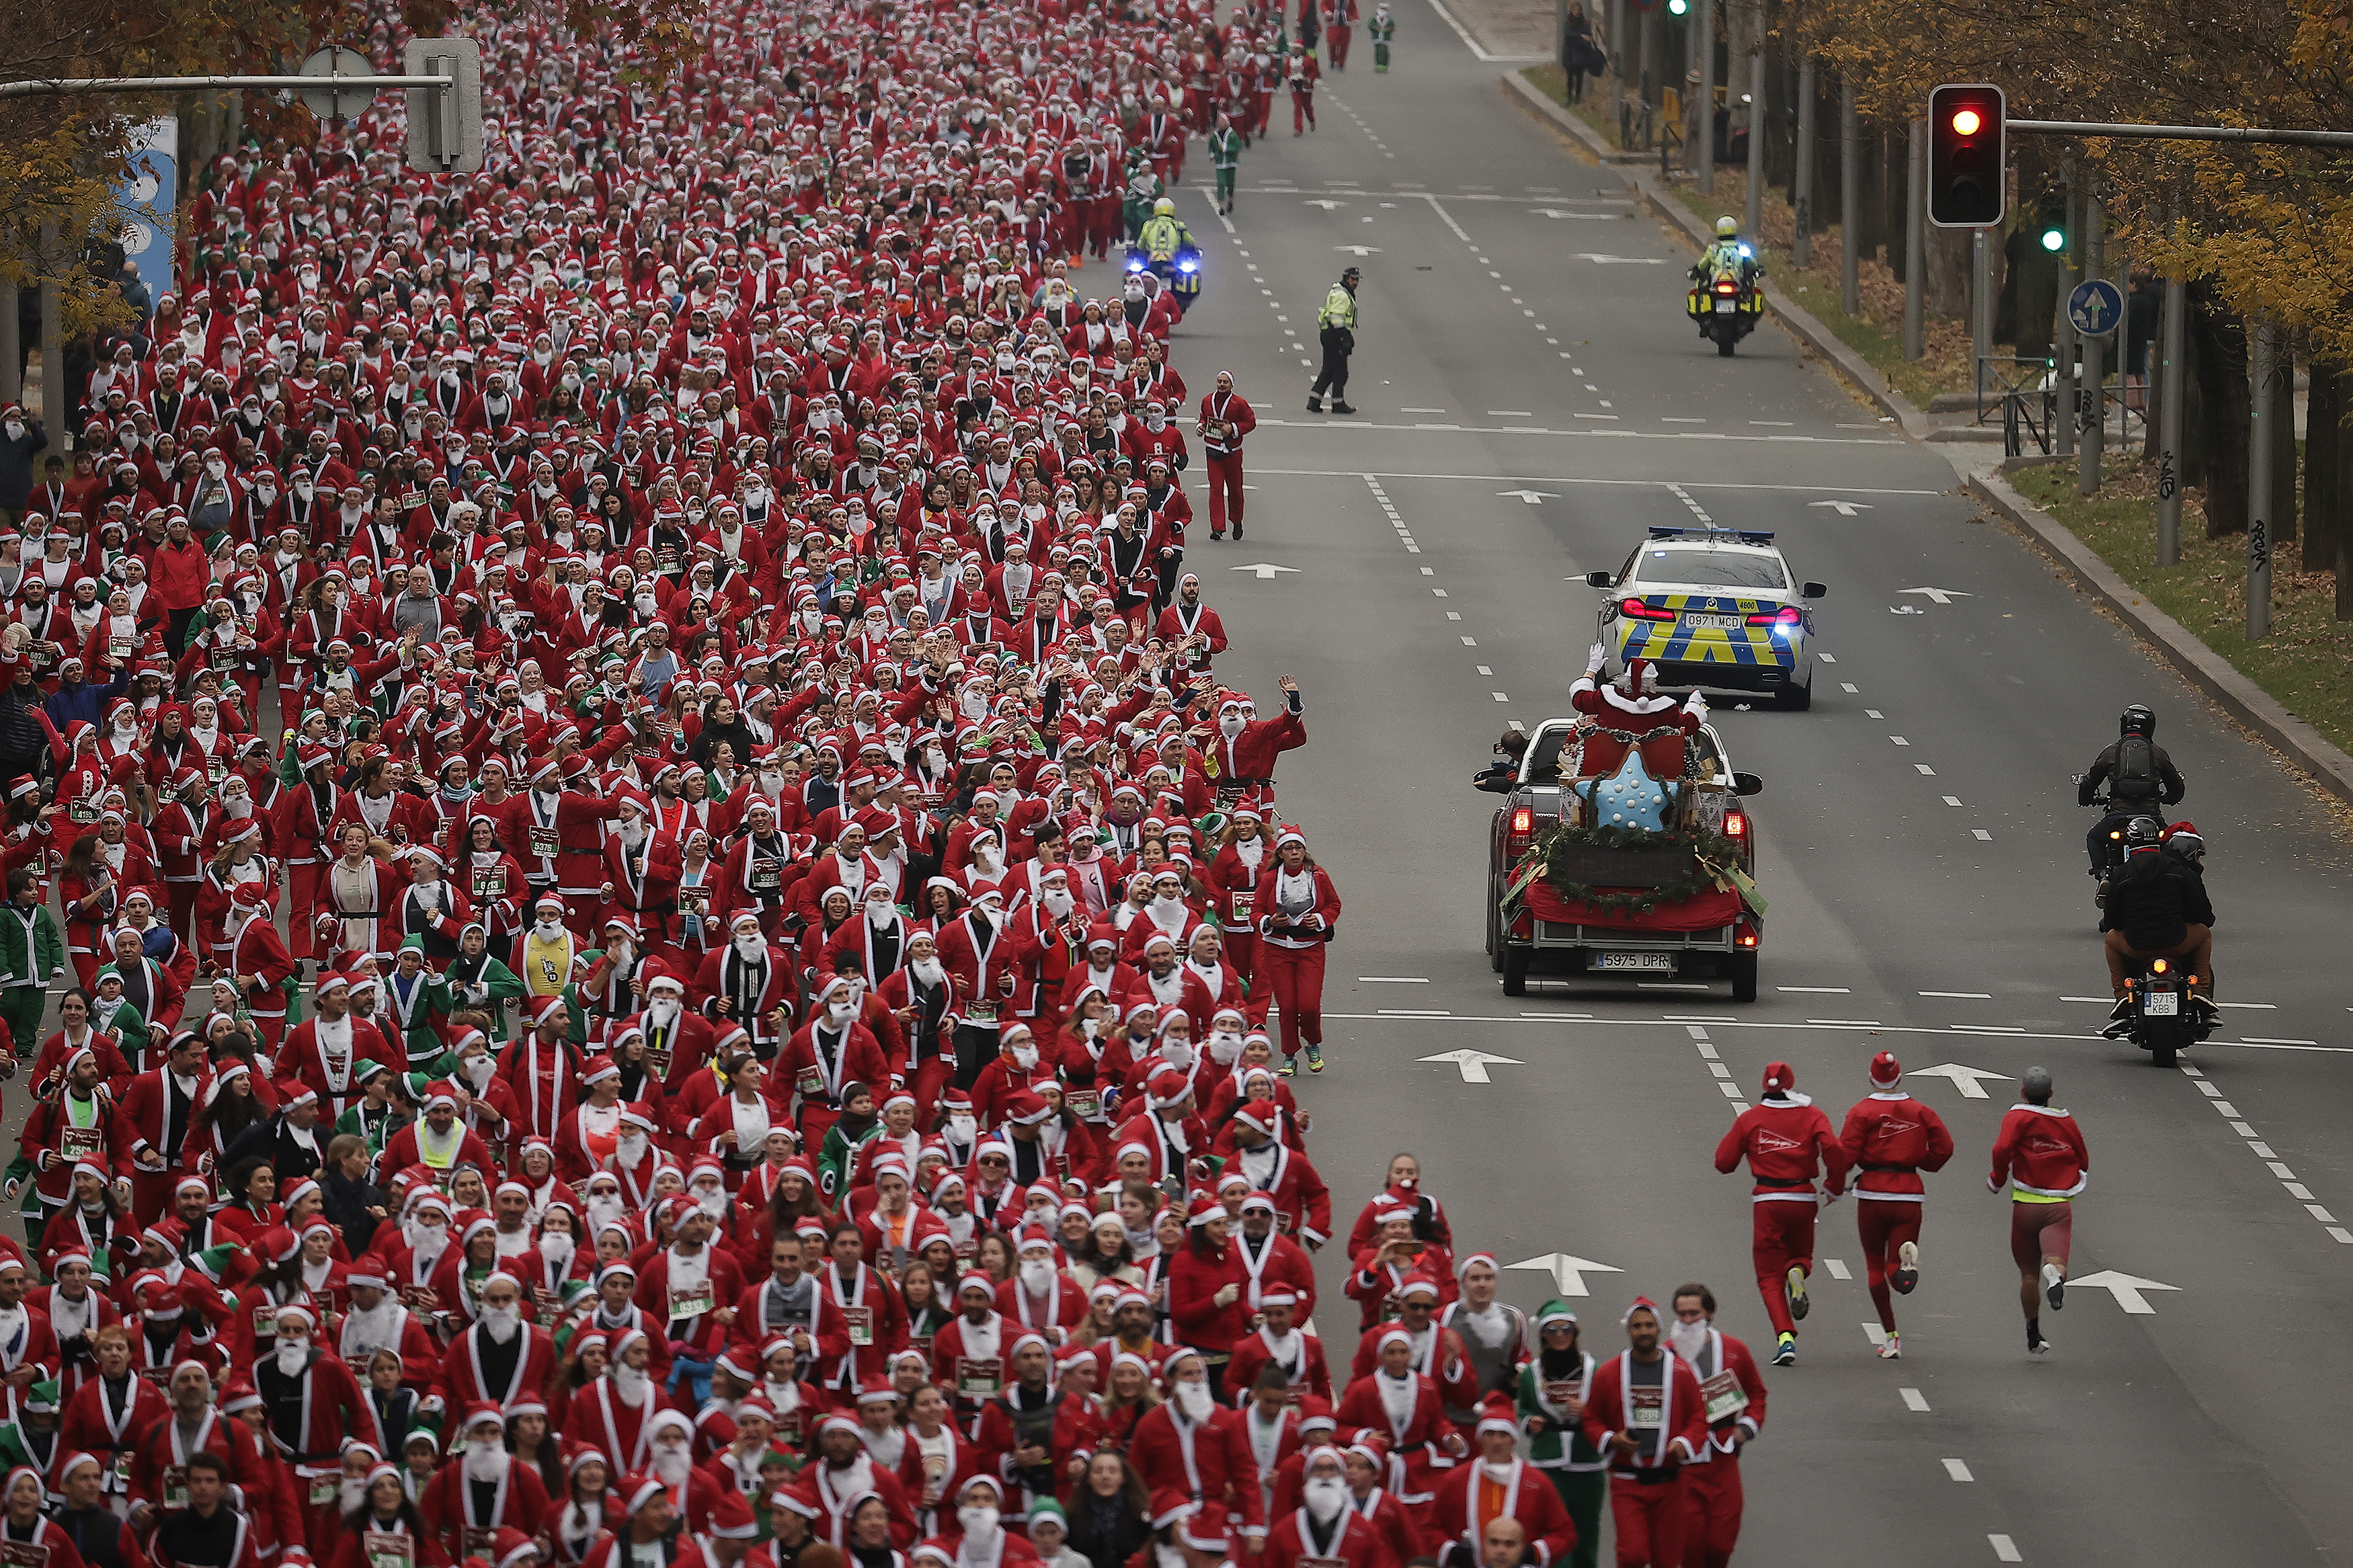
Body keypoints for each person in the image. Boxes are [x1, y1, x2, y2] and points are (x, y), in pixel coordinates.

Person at [1711, 1061, 1847, 1366]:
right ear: (1791, 1083)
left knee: (1769, 1276)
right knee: (1801, 1255)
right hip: (1803, 1198)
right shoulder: (1813, 1115)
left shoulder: (1751, 1119)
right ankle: (1798, 1271)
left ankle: (1785, 1338)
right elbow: (1835, 1150)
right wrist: (1834, 1187)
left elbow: (1723, 1162)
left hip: (1768, 1200)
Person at [1837, 1052, 1954, 1360]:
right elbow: (1945, 1148)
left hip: (1872, 1196)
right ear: (1900, 1077)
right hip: (1909, 1195)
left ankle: (1891, 1337)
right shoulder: (1921, 1111)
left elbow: (1845, 1156)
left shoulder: (1861, 1111)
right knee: (1895, 1262)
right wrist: (1921, 1162)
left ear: (1871, 1077)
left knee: (1874, 1266)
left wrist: (1833, 1184)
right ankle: (1903, 1267)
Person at [1579, 1298, 1706, 1568]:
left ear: (1659, 1329)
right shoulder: (1610, 1373)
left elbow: (1698, 1418)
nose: (1644, 1331)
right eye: (1637, 1326)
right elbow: (1591, 1418)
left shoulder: (1681, 1373)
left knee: (1668, 1559)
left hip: (1670, 1483)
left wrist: (1685, 1442)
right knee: (1632, 1555)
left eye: (1649, 1325)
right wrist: (1611, 1439)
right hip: (1628, 1482)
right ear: (1629, 1330)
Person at [1988, 1065, 2089, 1358]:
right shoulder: (2066, 1120)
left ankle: (2033, 1333)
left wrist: (1997, 1179)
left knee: (2027, 1274)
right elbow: (2082, 1156)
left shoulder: (2016, 1116)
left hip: (2025, 1205)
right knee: (2056, 1261)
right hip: (2058, 1206)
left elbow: (2001, 1148)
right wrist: (2073, 1177)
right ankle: (2055, 1275)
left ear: (2023, 1092)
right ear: (2051, 1094)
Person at [1665, 1284, 1763, 1568]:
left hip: (1723, 1460)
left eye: (1694, 1314)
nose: (1686, 1321)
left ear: (1709, 1313)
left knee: (1720, 1546)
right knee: (1691, 1547)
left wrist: (1745, 1428)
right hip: (1684, 1466)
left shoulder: (1734, 1350)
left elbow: (1757, 1394)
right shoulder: (1665, 1356)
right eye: (1681, 1315)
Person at [2098, 817, 2217, 1030]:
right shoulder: (2179, 870)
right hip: (2177, 941)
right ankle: (2201, 991)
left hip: (2137, 947)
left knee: (2110, 940)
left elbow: (2111, 920)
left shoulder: (2121, 874)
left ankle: (2122, 996)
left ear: (2131, 843)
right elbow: (2203, 914)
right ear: (2160, 842)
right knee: (2204, 934)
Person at [1516, 1303, 1603, 1568]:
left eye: (1566, 1329)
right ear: (1543, 1334)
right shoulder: (1532, 1373)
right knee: (1554, 1532)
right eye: (1552, 1331)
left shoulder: (1593, 1370)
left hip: (1587, 1462)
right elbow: (1523, 1409)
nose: (1560, 1336)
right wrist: (1531, 1422)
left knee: (1586, 1532)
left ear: (1575, 1332)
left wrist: (1587, 1413)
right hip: (1549, 1462)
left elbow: (1608, 1412)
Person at [2077, 704, 2186, 889]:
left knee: (2094, 838)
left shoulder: (2112, 751)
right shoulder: (2158, 753)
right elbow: (2177, 787)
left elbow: (2090, 781)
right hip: (2152, 817)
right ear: (2151, 727)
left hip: (2117, 818)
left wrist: (2086, 798)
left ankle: (2103, 875)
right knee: (2171, 843)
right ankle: (2174, 879)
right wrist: (2168, 798)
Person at [0, 867, 65, 1059]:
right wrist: (3, 969)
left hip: (39, 974)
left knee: (32, 1012)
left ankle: (25, 1045)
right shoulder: (4, 915)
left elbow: (53, 939)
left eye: (36, 888)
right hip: (14, 974)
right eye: (29, 889)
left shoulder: (42, 912)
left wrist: (57, 964)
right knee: (9, 1007)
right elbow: (1, 944)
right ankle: (6, 1040)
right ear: (16, 893)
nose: (35, 892)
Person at [1307, 267, 1358, 415]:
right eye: (1353, 279)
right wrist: (1344, 337)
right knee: (1341, 372)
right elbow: (1336, 317)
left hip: (1329, 334)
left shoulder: (1340, 291)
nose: (1355, 282)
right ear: (1347, 278)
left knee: (1329, 370)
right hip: (1335, 335)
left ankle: (1314, 400)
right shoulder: (1342, 295)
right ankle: (1338, 403)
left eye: (1357, 280)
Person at [1369, 2, 1396, 71]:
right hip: (1377, 38)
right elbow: (1370, 26)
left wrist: (1388, 29)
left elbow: (1392, 27)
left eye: (1385, 9)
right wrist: (1376, 28)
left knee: (1385, 51)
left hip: (1386, 38)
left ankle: (1385, 65)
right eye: (1382, 9)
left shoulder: (1389, 20)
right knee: (1378, 51)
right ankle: (1378, 65)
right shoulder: (1374, 19)